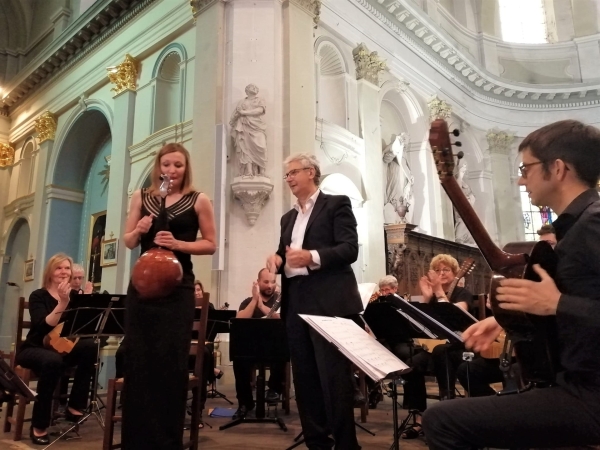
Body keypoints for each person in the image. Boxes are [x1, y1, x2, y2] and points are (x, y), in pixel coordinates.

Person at [422, 120, 600, 449]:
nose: (521, 178)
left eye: (526, 168)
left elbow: (562, 303)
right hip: (574, 382)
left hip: (589, 393)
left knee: (441, 420)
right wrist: (503, 318)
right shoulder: (575, 228)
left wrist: (556, 304)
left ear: (558, 168)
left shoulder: (592, 223)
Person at [122, 142, 216, 450]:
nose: (171, 170)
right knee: (138, 360)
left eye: (177, 165)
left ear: (186, 167)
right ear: (157, 167)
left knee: (170, 363)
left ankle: (166, 441)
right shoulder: (142, 197)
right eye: (166, 165)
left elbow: (211, 243)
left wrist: (178, 244)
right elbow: (127, 241)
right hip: (143, 287)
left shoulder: (198, 199)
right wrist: (139, 229)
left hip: (178, 288)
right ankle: (137, 440)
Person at [266, 153, 364, 450]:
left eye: (293, 173)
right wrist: (277, 260)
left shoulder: (336, 204)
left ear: (311, 172)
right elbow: (285, 255)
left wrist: (312, 257)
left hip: (329, 300)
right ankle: (317, 443)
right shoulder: (288, 217)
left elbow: (349, 249)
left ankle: (347, 445)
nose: (289, 179)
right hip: (296, 300)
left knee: (333, 378)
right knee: (305, 378)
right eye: (286, 175)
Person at [15, 253, 97, 445]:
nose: (63, 271)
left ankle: (75, 406)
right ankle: (39, 425)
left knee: (89, 347)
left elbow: (80, 329)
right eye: (59, 267)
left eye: (67, 268)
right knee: (53, 362)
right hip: (34, 348)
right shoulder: (39, 296)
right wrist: (62, 302)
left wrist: (87, 303)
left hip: (61, 348)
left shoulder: (75, 296)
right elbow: (42, 328)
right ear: (50, 272)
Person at [367, 275, 429, 439]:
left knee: (405, 356)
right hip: (384, 341)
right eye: (383, 290)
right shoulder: (376, 306)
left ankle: (411, 401)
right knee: (368, 356)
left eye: (389, 289)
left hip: (402, 341)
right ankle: (373, 391)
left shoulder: (402, 306)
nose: (385, 292)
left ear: (395, 289)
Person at [232, 268, 284, 419]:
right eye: (266, 282)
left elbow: (281, 318)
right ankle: (245, 403)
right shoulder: (247, 302)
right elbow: (239, 319)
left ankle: (274, 389)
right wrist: (255, 301)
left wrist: (262, 306)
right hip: (252, 349)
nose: (270, 285)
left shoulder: (280, 301)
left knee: (282, 350)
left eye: (273, 282)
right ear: (258, 282)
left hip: (274, 350)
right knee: (238, 358)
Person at [419, 254, 473, 401]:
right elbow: (422, 323)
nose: (441, 273)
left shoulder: (463, 293)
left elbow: (455, 314)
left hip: (461, 343)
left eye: (446, 270)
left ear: (455, 273)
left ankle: (446, 397)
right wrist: (426, 297)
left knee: (441, 351)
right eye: (437, 270)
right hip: (437, 344)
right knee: (414, 362)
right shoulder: (433, 295)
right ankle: (417, 411)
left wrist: (439, 291)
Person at [229, 83, 267, 177]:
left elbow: (260, 110)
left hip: (257, 126)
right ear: (246, 90)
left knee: (261, 146)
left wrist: (244, 112)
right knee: (245, 148)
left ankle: (261, 172)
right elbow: (234, 115)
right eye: (251, 86)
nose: (254, 87)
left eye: (255, 87)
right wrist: (237, 115)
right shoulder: (241, 102)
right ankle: (249, 171)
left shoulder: (260, 100)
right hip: (244, 126)